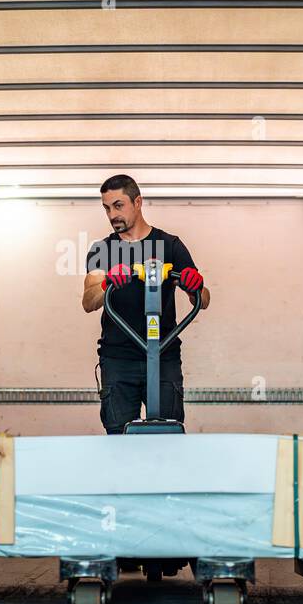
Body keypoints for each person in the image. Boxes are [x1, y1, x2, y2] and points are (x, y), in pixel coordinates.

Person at [81, 174, 209, 434]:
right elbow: (89, 301)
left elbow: (203, 300)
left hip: (164, 356)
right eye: (107, 208)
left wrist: (194, 286)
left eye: (118, 205)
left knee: (168, 437)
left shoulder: (170, 245)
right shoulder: (102, 250)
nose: (112, 214)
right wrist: (106, 283)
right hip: (117, 360)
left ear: (137, 202)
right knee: (118, 438)